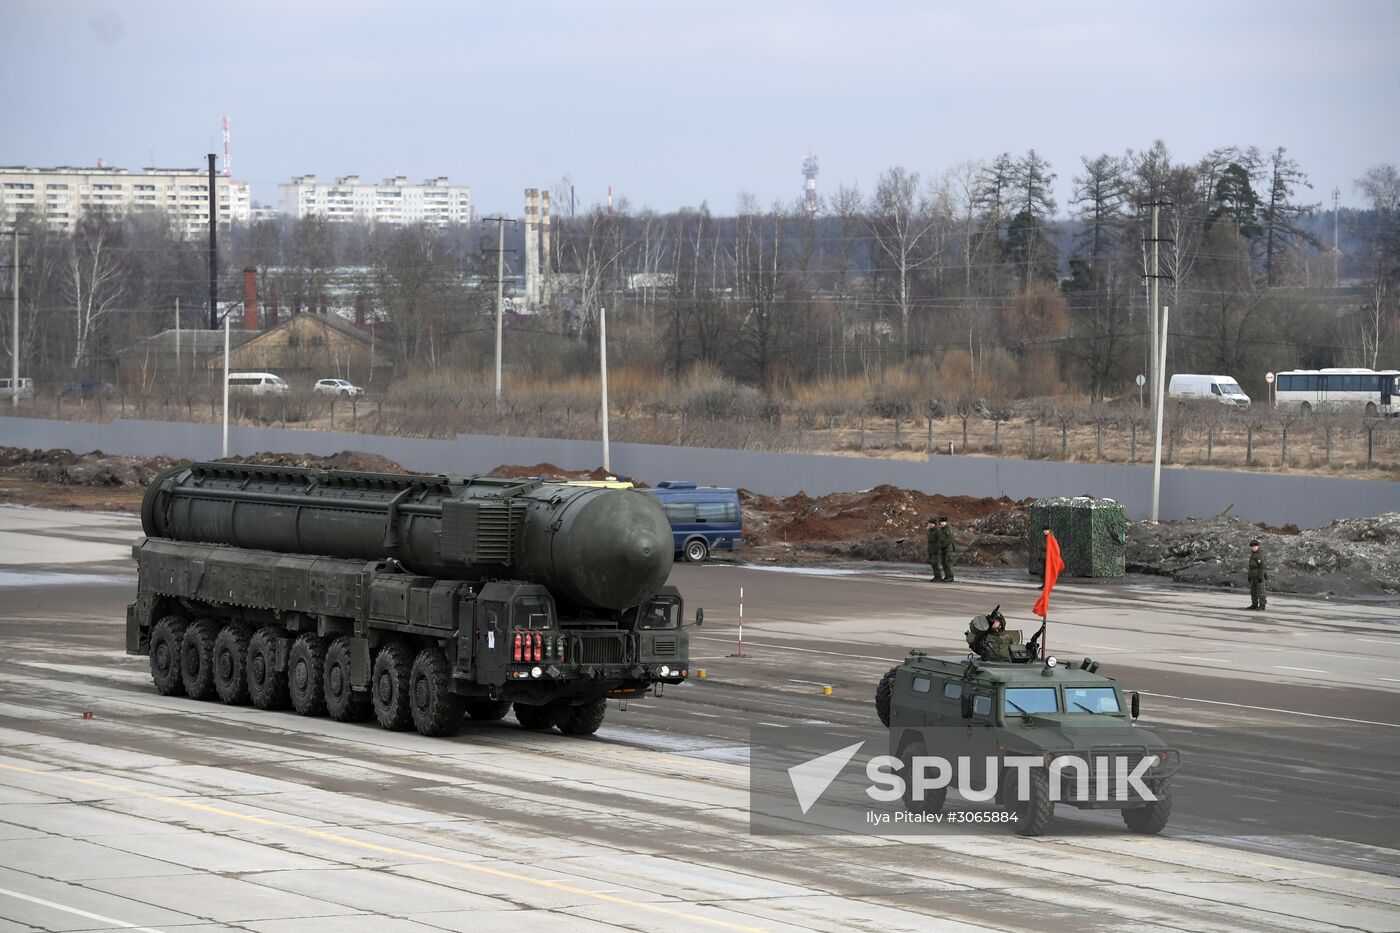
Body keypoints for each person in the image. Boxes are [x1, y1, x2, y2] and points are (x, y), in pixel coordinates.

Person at [928, 515, 956, 582]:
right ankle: (947, 576)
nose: (941, 523)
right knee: (944, 563)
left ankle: (950, 576)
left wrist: (942, 545)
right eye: (941, 521)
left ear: (946, 522)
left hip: (948, 548)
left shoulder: (948, 528)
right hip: (942, 549)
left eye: (943, 521)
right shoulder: (941, 529)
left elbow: (950, 538)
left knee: (948, 563)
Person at [1246, 539, 1268, 611]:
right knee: (1253, 591)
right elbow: (1251, 567)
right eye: (1252, 546)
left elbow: (1262, 566)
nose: (1253, 547)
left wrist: (1260, 576)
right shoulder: (1252, 555)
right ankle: (1254, 604)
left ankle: (1262, 604)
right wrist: (1249, 575)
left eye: (1255, 546)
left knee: (1261, 591)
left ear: (1258, 546)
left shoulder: (1259, 555)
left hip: (1258, 577)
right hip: (1253, 576)